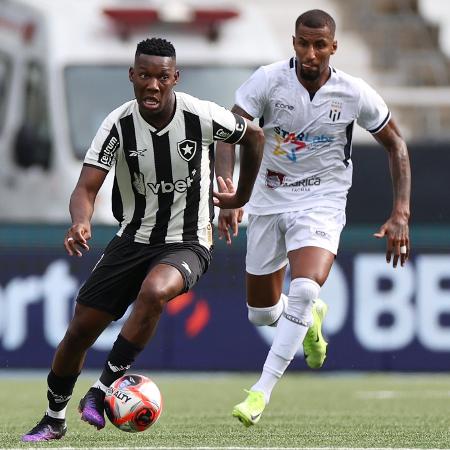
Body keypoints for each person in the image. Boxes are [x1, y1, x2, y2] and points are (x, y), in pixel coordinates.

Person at [22, 37, 264, 442]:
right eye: (145, 76)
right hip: (131, 238)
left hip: (188, 239)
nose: (153, 85)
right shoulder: (117, 124)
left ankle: (100, 392)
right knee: (80, 330)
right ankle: (53, 418)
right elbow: (85, 187)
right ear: (132, 76)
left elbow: (253, 137)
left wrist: (240, 196)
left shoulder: (200, 115)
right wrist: (80, 222)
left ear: (175, 79)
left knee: (155, 291)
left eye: (162, 77)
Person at [215, 9, 411, 427]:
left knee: (304, 289)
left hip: (322, 200)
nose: (310, 52)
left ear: (333, 47)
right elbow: (230, 132)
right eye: (303, 43)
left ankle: (259, 392)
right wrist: (230, 192)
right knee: (263, 313)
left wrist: (401, 212)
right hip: (268, 200)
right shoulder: (268, 80)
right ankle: (309, 320)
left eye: (319, 45)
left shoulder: (353, 92)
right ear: (294, 43)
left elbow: (396, 144)